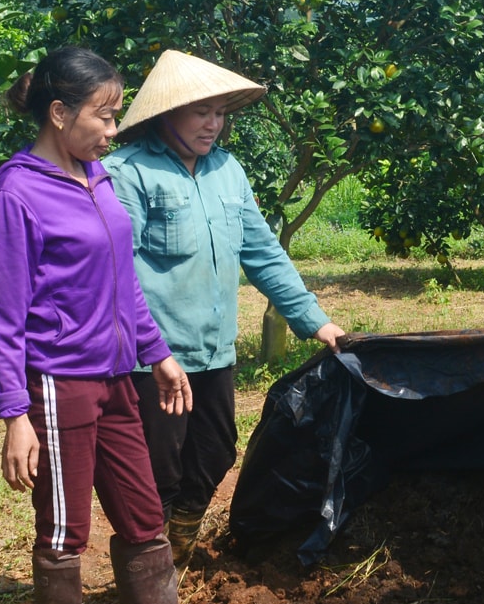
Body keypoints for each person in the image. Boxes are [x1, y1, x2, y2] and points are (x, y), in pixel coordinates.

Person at [0, 46, 240, 604]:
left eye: (117, 115)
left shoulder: (97, 180)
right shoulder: (17, 194)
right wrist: (14, 415)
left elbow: (123, 283)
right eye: (102, 115)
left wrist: (159, 352)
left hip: (118, 377)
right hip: (59, 381)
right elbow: (4, 317)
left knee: (144, 511)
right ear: (59, 112)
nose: (112, 130)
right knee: (65, 527)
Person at [105, 50, 348, 563]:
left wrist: (316, 321)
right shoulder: (128, 173)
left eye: (220, 113)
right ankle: (153, 575)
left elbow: (262, 253)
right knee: (157, 468)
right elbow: (115, 273)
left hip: (213, 352)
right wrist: (152, 350)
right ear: (167, 113)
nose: (213, 124)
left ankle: (177, 546)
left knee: (215, 454)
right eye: (201, 112)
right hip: (154, 357)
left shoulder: (227, 170)